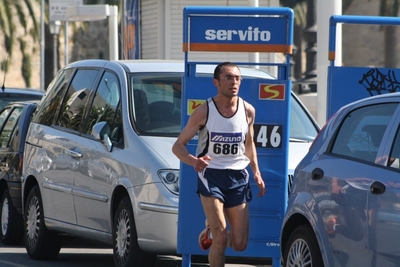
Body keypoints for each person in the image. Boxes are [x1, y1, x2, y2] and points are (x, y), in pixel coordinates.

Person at [172, 62, 266, 267]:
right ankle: (215, 234)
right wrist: (193, 161)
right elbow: (178, 146)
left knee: (240, 244)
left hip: (238, 176)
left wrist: (256, 172)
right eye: (229, 78)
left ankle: (212, 234)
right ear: (216, 82)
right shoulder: (204, 111)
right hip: (211, 175)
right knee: (222, 237)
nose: (234, 82)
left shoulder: (248, 110)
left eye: (237, 78)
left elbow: (249, 143)